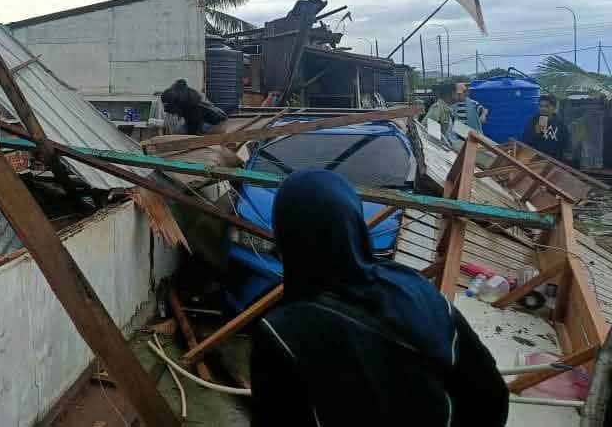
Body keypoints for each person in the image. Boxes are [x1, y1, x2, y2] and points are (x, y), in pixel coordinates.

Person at [251, 170, 508, 427]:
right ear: (355, 224)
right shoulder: (415, 287)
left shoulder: (280, 335)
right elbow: (491, 396)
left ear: (287, 238)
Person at [160, 79, 226, 135]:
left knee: (182, 131)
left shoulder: (191, 106)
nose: (165, 109)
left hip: (216, 123)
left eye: (167, 105)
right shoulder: (186, 97)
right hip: (210, 120)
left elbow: (193, 127)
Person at [522, 94, 569, 161]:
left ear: (554, 108)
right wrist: (537, 133)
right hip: (536, 161)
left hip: (555, 162)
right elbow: (525, 143)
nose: (543, 109)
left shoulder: (560, 124)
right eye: (541, 106)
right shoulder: (533, 121)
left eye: (547, 106)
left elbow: (565, 145)